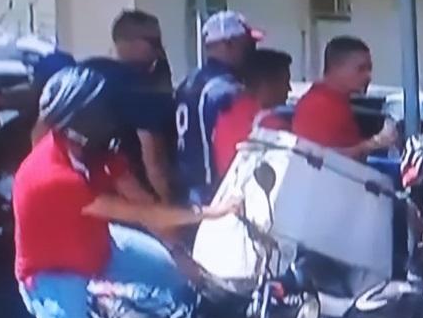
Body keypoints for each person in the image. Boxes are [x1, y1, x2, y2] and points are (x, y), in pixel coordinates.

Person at [13, 66, 238, 318]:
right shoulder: (52, 176)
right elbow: (139, 214)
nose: (115, 116)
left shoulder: (93, 150)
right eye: (106, 108)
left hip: (99, 245)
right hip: (52, 273)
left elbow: (140, 199)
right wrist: (210, 213)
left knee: (184, 281)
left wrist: (179, 254)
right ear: (84, 115)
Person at [175, 10, 261, 204]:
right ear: (229, 44)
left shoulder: (188, 82)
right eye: (247, 44)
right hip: (214, 190)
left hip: (187, 188)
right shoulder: (227, 89)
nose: (252, 50)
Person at [292, 36, 396, 159]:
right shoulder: (319, 105)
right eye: (361, 69)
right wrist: (374, 143)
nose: (368, 76)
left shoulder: (337, 101)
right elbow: (316, 159)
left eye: (369, 69)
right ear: (336, 68)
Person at [213, 49, 293, 177]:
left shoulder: (224, 116)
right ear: (267, 84)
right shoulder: (272, 126)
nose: (289, 89)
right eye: (285, 82)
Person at [111, 10, 173, 93]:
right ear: (131, 42)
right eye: (154, 42)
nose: (158, 50)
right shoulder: (104, 86)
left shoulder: (154, 80)